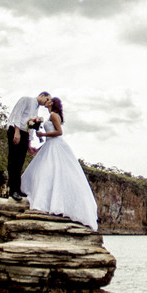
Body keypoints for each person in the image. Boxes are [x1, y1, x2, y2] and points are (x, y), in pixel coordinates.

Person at [21, 97, 99, 230]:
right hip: (50, 145)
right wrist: (39, 145)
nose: (47, 100)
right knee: (45, 171)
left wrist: (43, 134)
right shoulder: (50, 115)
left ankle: (49, 202)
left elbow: (59, 132)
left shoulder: (53, 114)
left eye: (49, 100)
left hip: (56, 145)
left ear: (52, 103)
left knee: (51, 171)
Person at [5, 91, 52, 201]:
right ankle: (13, 191)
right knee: (13, 160)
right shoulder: (26, 99)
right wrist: (16, 132)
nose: (47, 103)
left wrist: (29, 143)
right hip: (16, 130)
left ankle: (18, 189)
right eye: (47, 99)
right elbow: (17, 114)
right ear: (42, 96)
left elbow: (30, 126)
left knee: (20, 161)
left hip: (25, 134)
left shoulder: (36, 109)